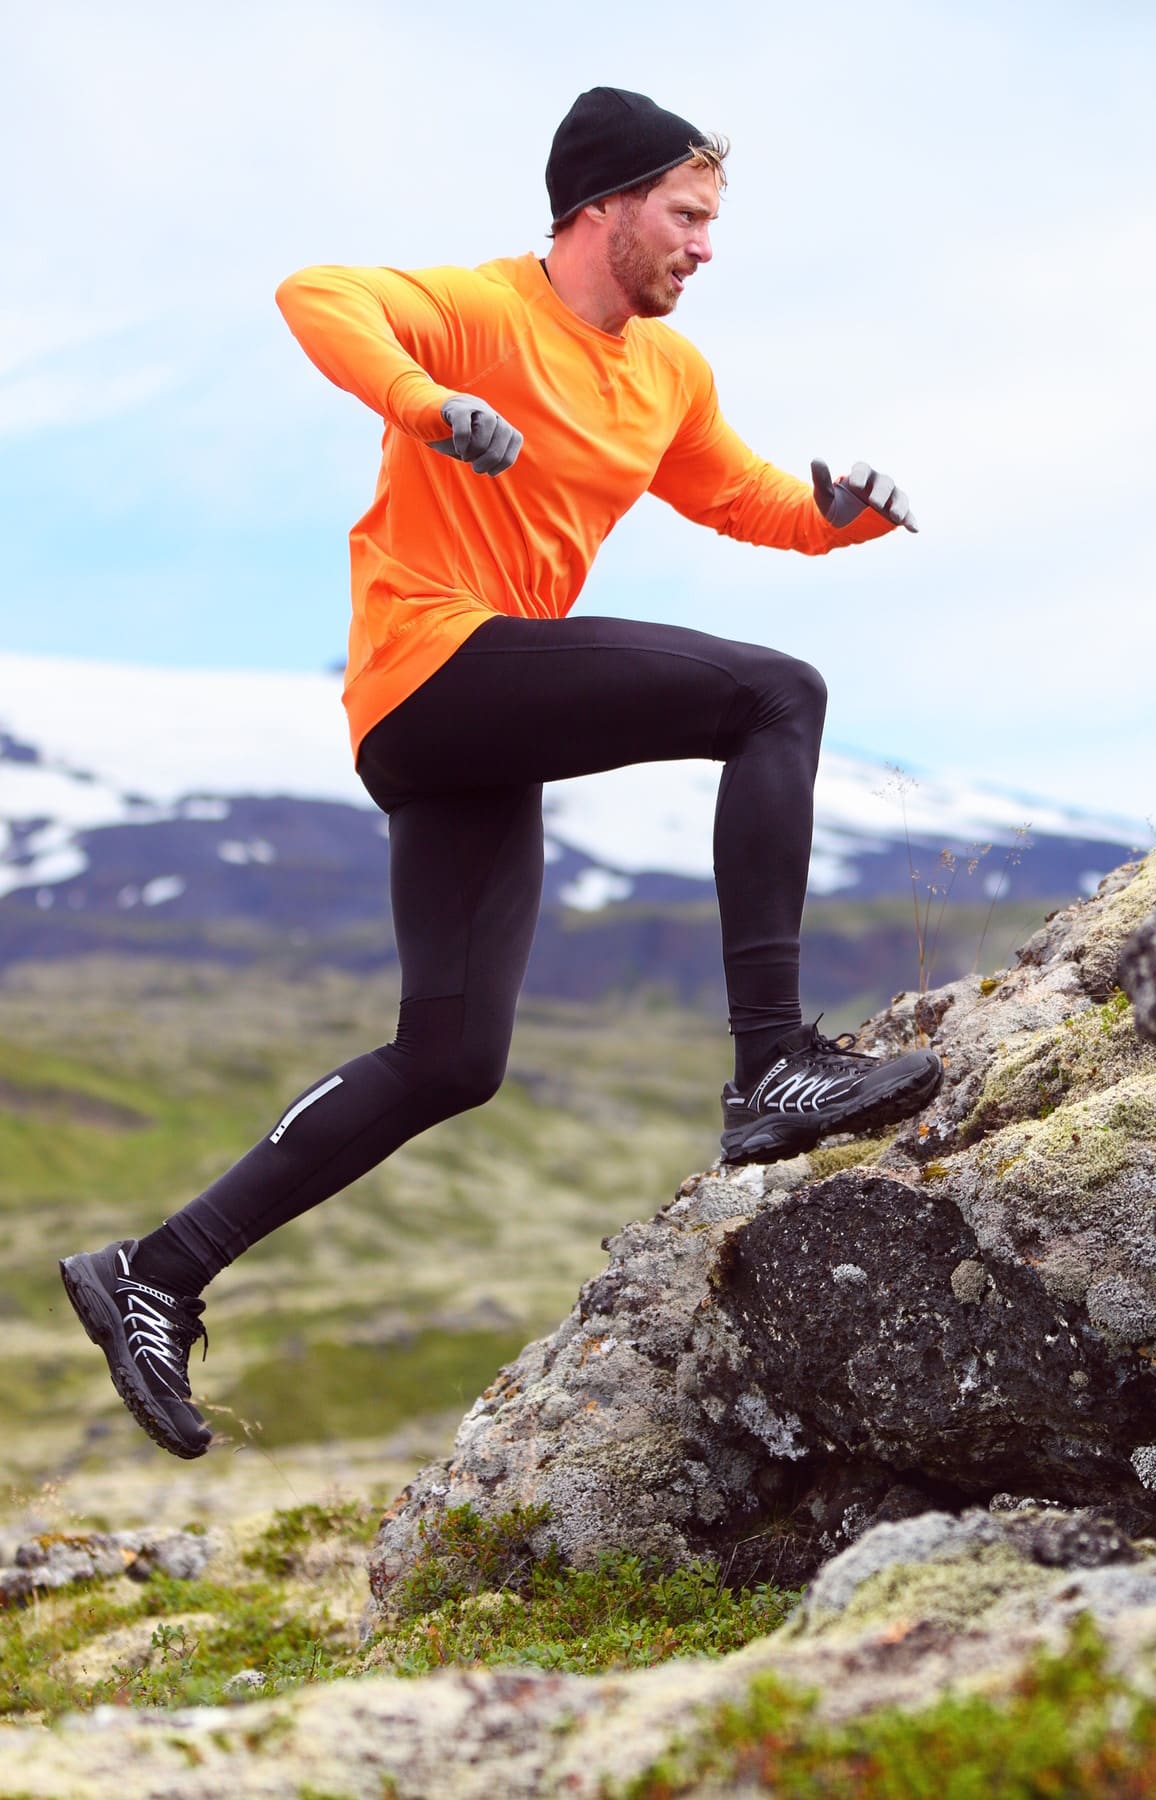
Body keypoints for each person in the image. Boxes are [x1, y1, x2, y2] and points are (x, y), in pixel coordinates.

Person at [60, 86, 943, 1461]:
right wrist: (425, 403)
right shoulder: (482, 309)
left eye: (714, 223)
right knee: (779, 694)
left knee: (452, 1057)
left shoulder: (666, 374)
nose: (706, 248)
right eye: (687, 218)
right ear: (601, 207)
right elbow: (315, 294)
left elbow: (736, 494)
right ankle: (772, 1063)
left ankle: (157, 1271)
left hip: (470, 724)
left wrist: (837, 520)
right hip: (432, 664)